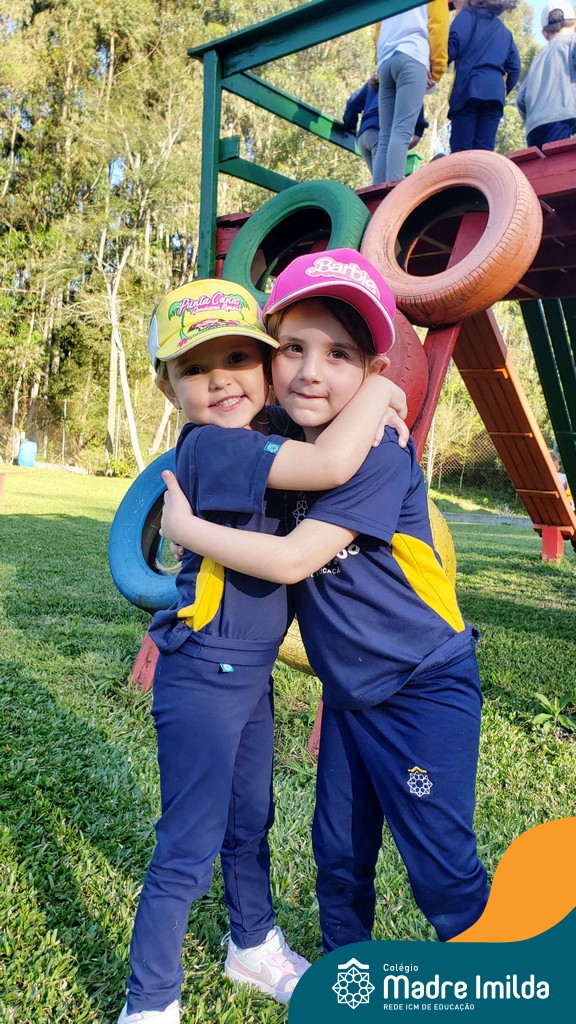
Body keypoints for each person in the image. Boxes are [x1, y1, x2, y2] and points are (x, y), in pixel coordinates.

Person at [159, 248, 490, 952]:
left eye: (339, 355)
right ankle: (350, 980)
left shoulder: (376, 456)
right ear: (268, 357)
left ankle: (501, 979)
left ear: (369, 368)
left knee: (439, 864)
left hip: (422, 689)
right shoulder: (276, 443)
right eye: (294, 348)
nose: (311, 371)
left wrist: (187, 531)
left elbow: (292, 560)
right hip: (348, 695)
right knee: (337, 854)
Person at [117, 275, 408, 1023]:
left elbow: (326, 437)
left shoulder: (265, 431)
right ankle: (150, 1002)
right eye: (195, 368)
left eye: (240, 359)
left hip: (247, 676)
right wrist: (382, 390)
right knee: (188, 846)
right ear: (168, 386)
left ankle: (251, 944)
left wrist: (371, 406)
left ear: (267, 365)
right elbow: (329, 467)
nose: (221, 380)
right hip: (202, 676)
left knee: (250, 821)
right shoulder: (213, 447)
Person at [372, 0, 448, 184]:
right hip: (413, 54)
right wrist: (437, 70)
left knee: (385, 135)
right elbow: (438, 26)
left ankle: (377, 191)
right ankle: (394, 190)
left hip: (386, 61)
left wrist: (380, 61)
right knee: (402, 130)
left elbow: (378, 27)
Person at [448, 0, 521, 153]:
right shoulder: (505, 32)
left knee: (461, 152)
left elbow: (454, 44)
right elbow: (514, 68)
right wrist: (502, 90)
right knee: (484, 153)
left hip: (468, 89)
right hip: (494, 96)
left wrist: (433, 69)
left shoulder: (467, 16)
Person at [516, 2, 576, 149]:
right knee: (560, 161)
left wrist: (532, 121)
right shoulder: (572, 42)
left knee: (541, 163)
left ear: (545, 34)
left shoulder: (538, 58)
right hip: (561, 119)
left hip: (534, 127)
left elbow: (520, 98)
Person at [343, 75, 429, 174]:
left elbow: (352, 103)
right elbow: (418, 125)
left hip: (363, 137)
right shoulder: (409, 83)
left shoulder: (376, 79)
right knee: (386, 179)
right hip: (381, 136)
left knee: (379, 179)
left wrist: (350, 126)